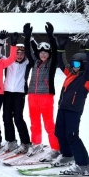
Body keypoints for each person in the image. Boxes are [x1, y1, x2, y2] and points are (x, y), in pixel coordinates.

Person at [51, 35, 89, 174]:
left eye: (77, 65)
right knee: (59, 133)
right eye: (73, 64)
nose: (73, 67)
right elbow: (61, 63)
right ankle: (67, 155)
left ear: (83, 65)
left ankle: (82, 165)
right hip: (63, 109)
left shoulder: (87, 78)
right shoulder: (71, 74)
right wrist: (60, 49)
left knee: (72, 136)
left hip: (74, 110)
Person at [23, 22, 60, 161]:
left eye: (46, 53)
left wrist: (51, 36)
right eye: (41, 53)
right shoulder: (35, 62)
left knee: (49, 124)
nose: (43, 55)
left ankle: (56, 149)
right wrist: (27, 37)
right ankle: (37, 144)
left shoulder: (51, 63)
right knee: (34, 122)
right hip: (32, 96)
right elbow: (29, 49)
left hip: (46, 96)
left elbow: (55, 51)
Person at [1, 37, 34, 154]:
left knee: (18, 118)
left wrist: (28, 40)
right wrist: (2, 41)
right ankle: (11, 140)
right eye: (17, 53)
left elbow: (32, 56)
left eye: (21, 53)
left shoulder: (27, 63)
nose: (19, 56)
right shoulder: (8, 62)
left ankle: (25, 143)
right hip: (7, 92)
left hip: (19, 94)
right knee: (6, 117)